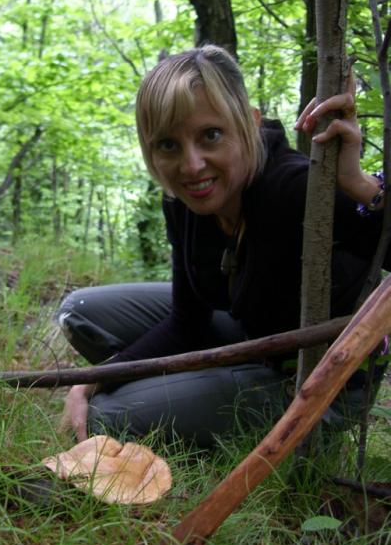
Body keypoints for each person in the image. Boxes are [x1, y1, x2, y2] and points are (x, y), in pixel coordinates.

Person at [57, 45, 388, 445]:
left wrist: (357, 183)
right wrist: (91, 380)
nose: (191, 165)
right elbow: (187, 323)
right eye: (168, 145)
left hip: (322, 381)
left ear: (249, 123)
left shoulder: (295, 189)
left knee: (107, 417)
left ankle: (271, 417)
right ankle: (202, 390)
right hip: (254, 339)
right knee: (80, 311)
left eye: (210, 135)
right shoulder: (184, 203)